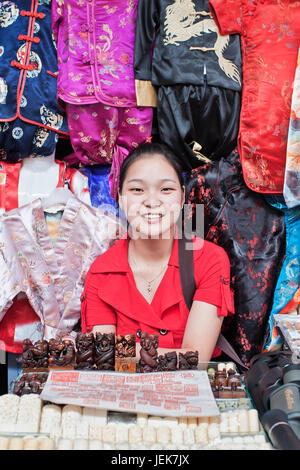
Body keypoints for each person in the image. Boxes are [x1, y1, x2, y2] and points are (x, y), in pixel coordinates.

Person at [81, 142, 234, 362]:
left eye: (166, 189)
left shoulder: (209, 260)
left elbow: (195, 361)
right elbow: (102, 360)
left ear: (182, 197)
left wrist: (120, 355)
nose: (152, 202)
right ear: (121, 198)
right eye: (137, 190)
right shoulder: (101, 272)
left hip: (187, 394)